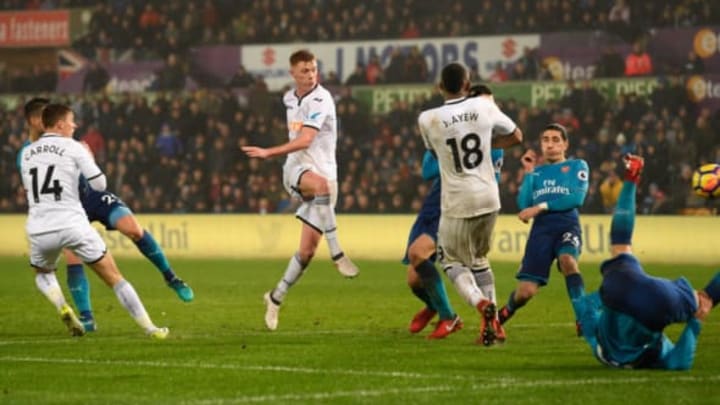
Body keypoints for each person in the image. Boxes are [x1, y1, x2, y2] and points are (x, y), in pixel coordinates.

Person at [21, 98, 193, 332]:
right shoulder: (48, 148)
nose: (75, 126)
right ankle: (88, 317)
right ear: (44, 122)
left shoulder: (30, 153)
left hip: (85, 199)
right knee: (83, 261)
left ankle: (171, 277)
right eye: (71, 122)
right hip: (70, 209)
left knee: (133, 228)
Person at [242, 49, 359, 331]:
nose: (311, 75)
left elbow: (307, 138)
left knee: (306, 252)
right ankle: (338, 254)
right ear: (293, 73)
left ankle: (275, 297)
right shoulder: (289, 97)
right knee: (318, 186)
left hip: (326, 180)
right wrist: (275, 154)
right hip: (296, 171)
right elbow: (302, 143)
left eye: (314, 69)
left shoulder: (321, 98)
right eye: (304, 70)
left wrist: (269, 151)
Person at [576, 154, 718, 370]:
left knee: (704, 299)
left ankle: (632, 176)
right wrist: (592, 296)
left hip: (658, 303)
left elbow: (680, 362)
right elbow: (585, 307)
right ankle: (632, 176)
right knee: (620, 244)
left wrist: (696, 323)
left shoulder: (655, 355)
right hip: (619, 289)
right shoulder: (598, 346)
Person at [418, 63, 522, 346]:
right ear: (468, 84)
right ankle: (495, 327)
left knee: (450, 261)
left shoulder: (428, 118)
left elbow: (434, 154)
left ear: (440, 87)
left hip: (457, 200)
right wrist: (488, 145)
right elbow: (516, 136)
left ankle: (480, 303)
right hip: (490, 196)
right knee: (479, 259)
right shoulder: (484, 107)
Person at [498, 123, 589, 336]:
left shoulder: (578, 166)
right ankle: (500, 317)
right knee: (525, 292)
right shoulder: (537, 174)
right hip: (541, 232)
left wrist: (540, 207)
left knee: (568, 261)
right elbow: (523, 203)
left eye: (556, 140)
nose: (550, 144)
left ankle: (583, 318)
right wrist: (529, 173)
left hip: (567, 224)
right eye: (545, 140)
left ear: (565, 144)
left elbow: (577, 198)